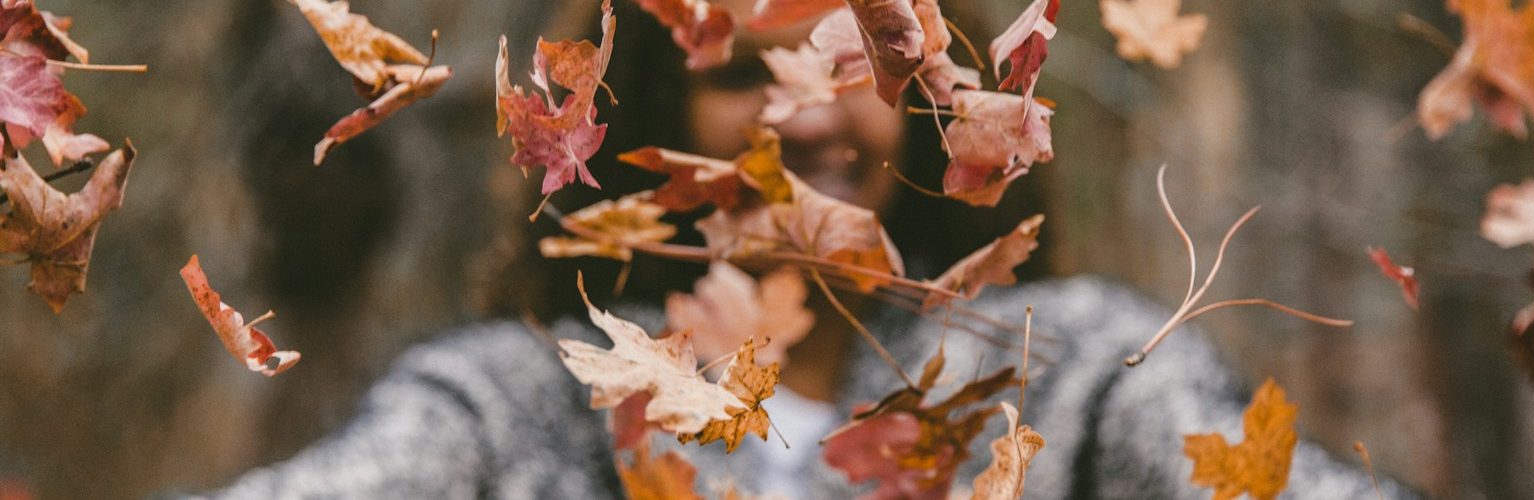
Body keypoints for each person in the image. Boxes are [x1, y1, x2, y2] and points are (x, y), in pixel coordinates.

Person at [202, 1, 1421, 498]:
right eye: (740, 78)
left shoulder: (1073, 366)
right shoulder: (529, 397)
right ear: (661, 119)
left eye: (853, 70)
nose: (808, 115)